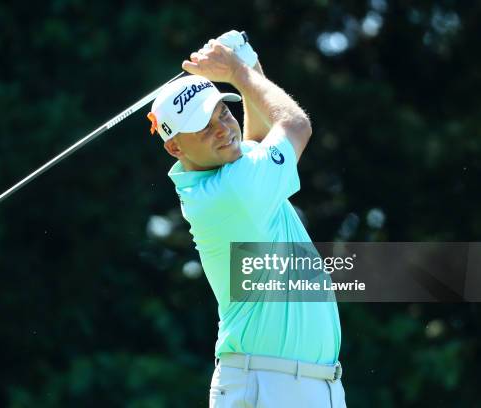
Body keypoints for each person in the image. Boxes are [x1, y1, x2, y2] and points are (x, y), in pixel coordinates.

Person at [147, 31, 346, 407]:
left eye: (223, 112)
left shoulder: (225, 176)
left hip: (295, 383)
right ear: (174, 147)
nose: (224, 129)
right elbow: (295, 125)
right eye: (205, 127)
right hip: (269, 385)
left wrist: (249, 63)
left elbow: (254, 140)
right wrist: (237, 71)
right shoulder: (234, 191)